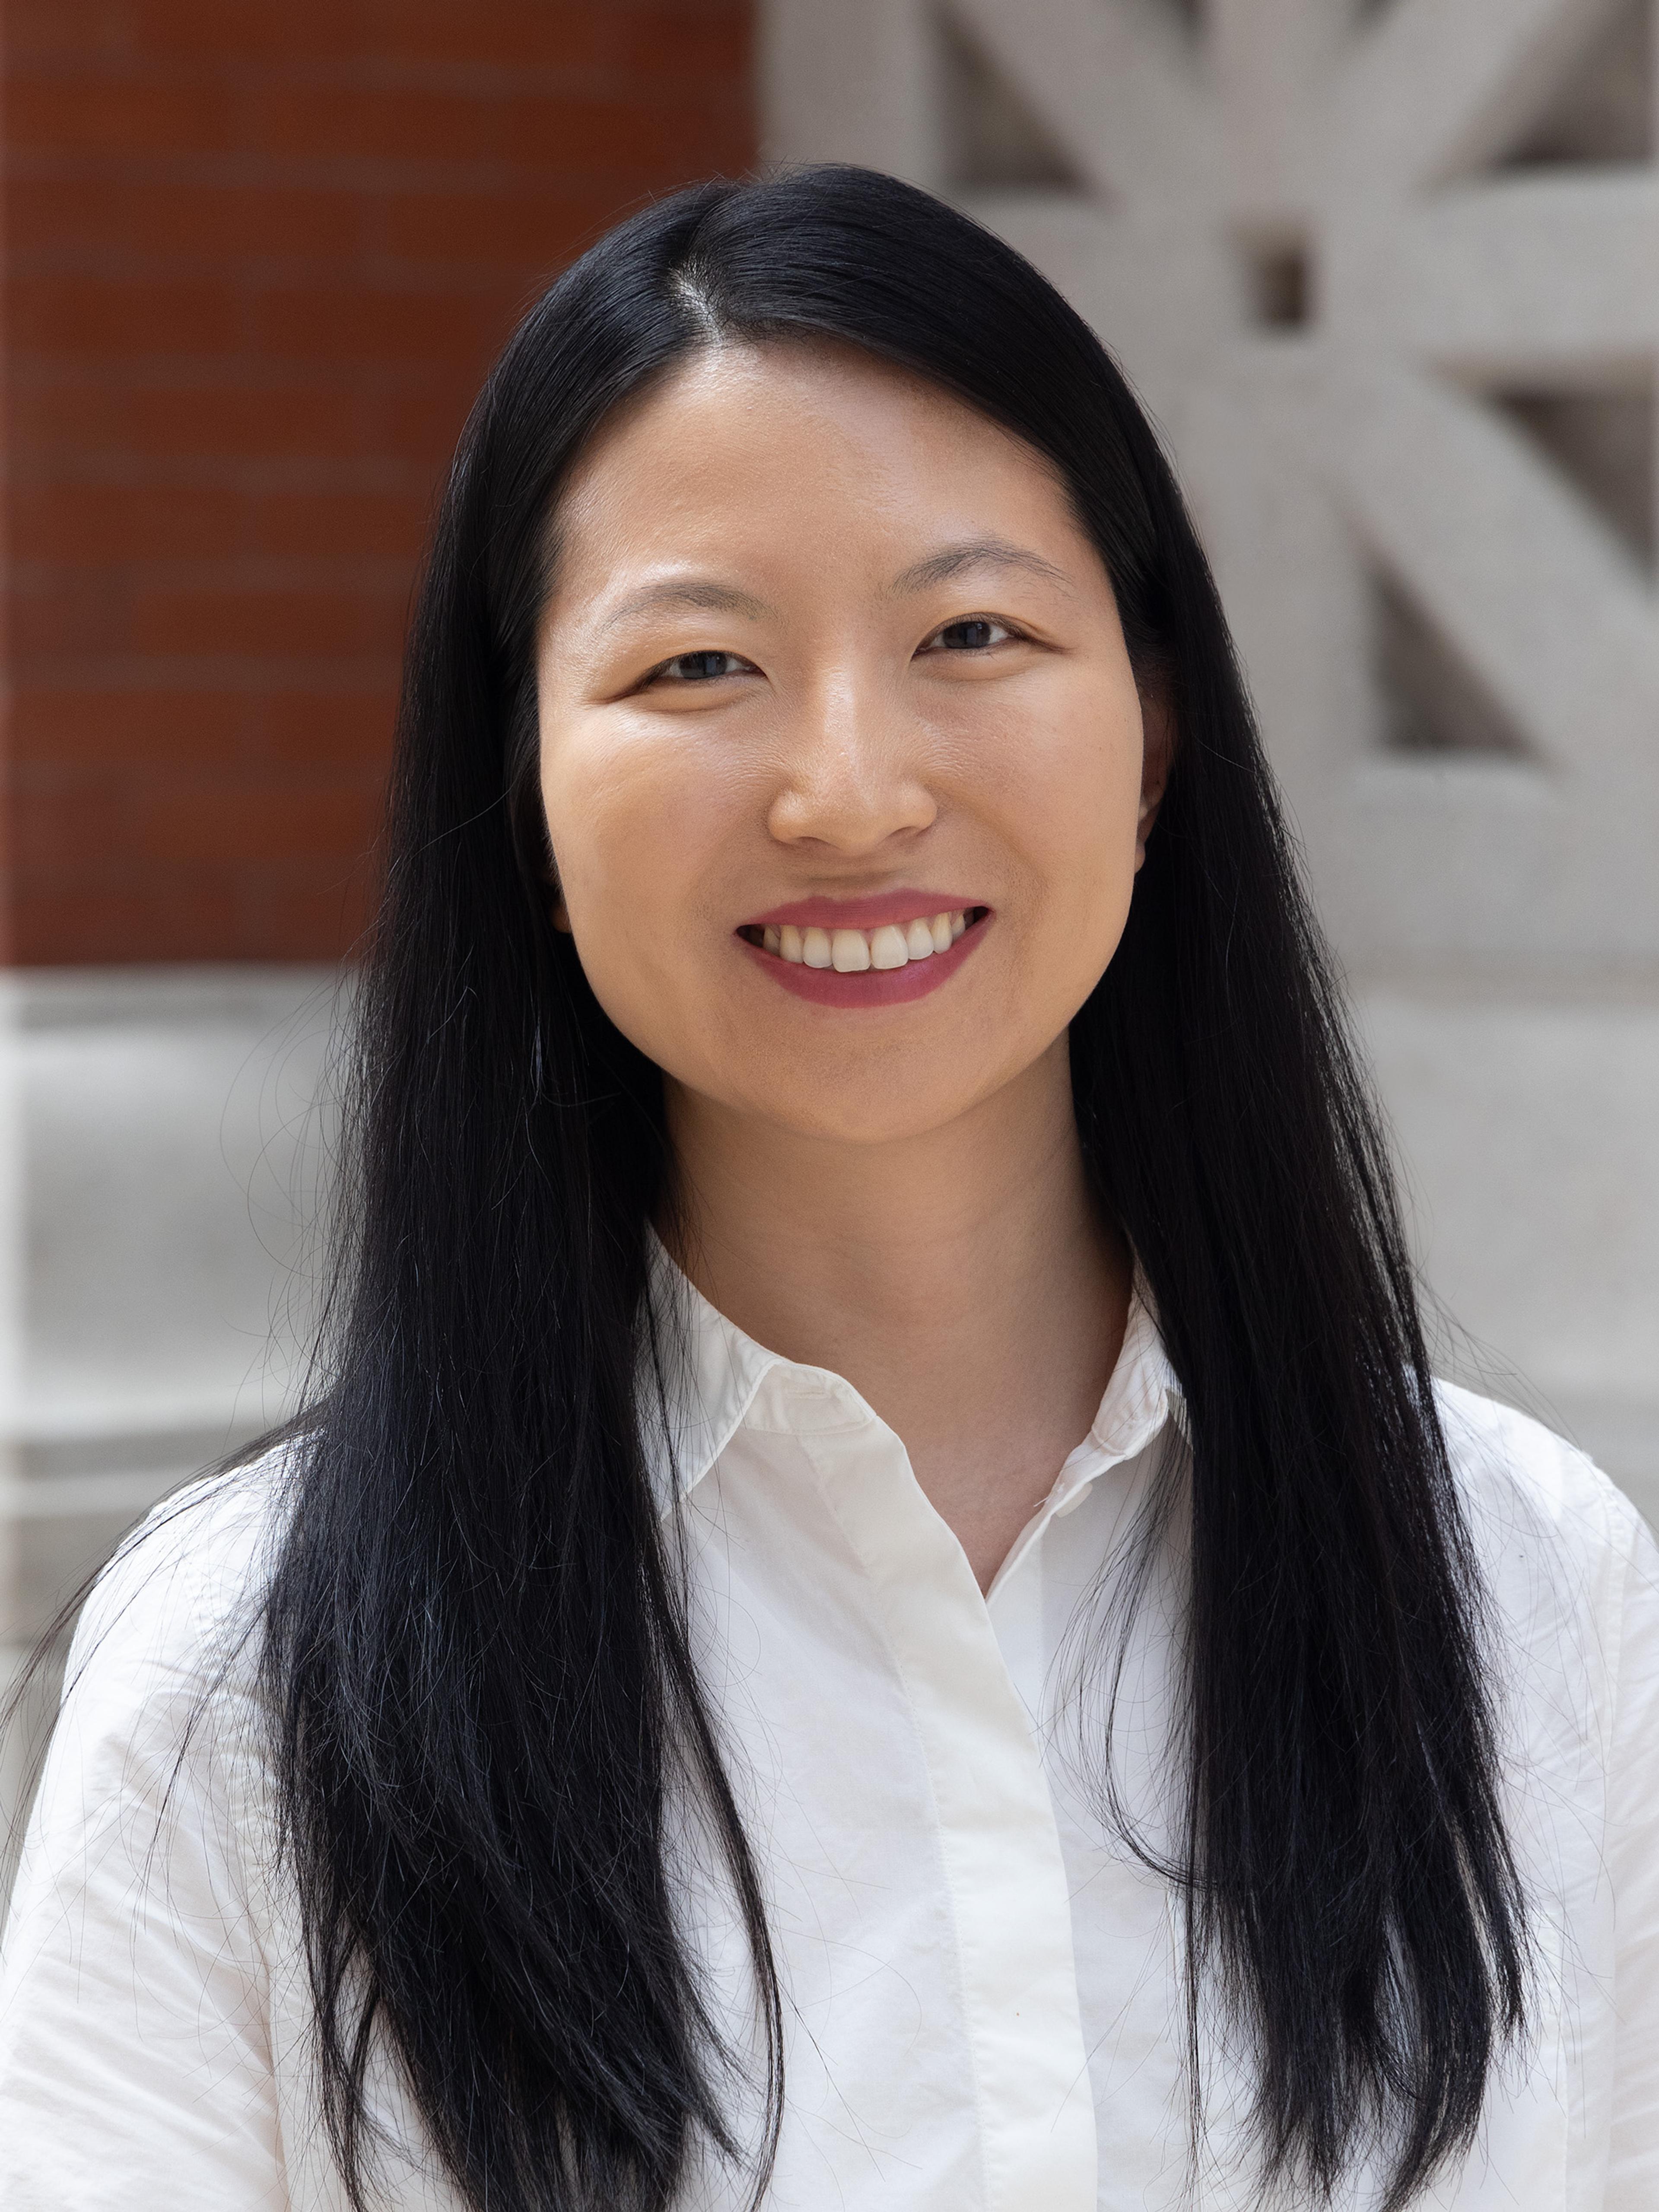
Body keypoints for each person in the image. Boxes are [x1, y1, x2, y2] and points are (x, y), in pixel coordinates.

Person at [0, 165, 1654, 2212]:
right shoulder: (240, 1686)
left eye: (972, 630)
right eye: (699, 667)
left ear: (1150, 730)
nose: (850, 788)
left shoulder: (1531, 1590)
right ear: (517, 787)